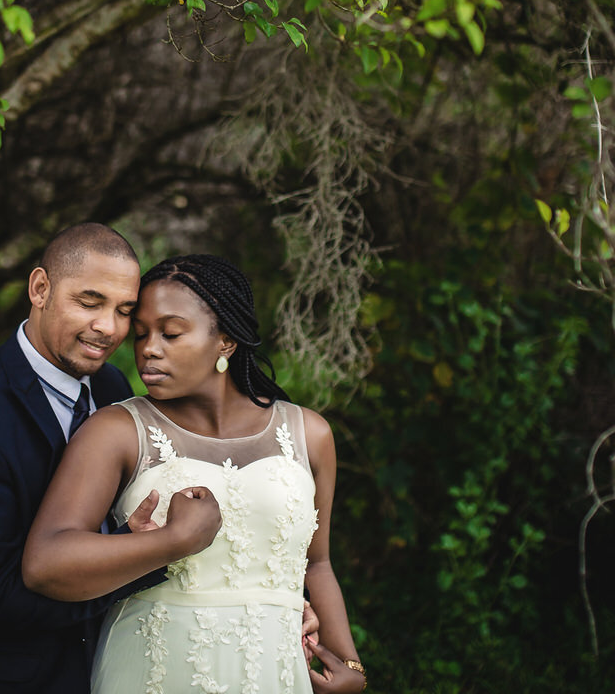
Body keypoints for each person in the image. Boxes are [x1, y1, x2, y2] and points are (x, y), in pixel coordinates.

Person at [23, 254, 368, 694]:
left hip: (275, 673)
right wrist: (170, 541)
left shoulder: (309, 433)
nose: (149, 348)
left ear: (225, 341)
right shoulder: (116, 431)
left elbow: (316, 564)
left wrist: (349, 665)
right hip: (153, 671)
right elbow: (46, 562)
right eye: (142, 332)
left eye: (170, 333)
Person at [0, 224, 223, 694]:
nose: (108, 328)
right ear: (40, 289)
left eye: (123, 311)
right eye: (89, 302)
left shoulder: (113, 388)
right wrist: (147, 556)